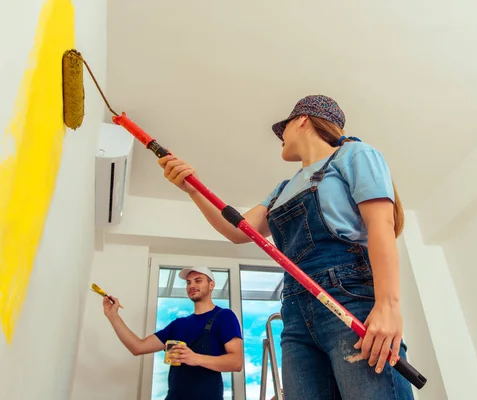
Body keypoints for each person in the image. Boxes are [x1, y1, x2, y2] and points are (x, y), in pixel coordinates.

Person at [158, 95, 414, 400]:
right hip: (295, 314)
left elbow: (380, 226)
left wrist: (388, 307)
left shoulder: (354, 154)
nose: (281, 138)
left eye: (284, 128)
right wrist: (193, 189)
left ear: (302, 119)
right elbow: (237, 230)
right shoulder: (281, 190)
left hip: (349, 299)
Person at [103, 266, 243, 400]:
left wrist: (195, 358)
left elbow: (236, 362)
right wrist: (113, 316)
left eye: (198, 280)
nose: (191, 285)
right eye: (188, 282)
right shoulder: (178, 324)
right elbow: (137, 347)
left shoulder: (224, 316)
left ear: (211, 285)